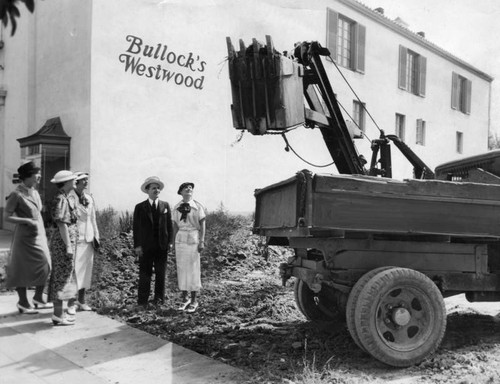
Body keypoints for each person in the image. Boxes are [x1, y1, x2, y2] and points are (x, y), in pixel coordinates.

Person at [3, 161, 52, 314]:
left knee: (46, 265)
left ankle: (38, 298)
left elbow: (37, 214)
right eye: (37, 174)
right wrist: (25, 220)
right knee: (21, 269)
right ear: (28, 176)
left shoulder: (35, 192)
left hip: (39, 236)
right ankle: (23, 302)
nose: (39, 177)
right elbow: (6, 217)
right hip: (24, 238)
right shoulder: (16, 195)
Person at [133, 176, 173, 308]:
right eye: (153, 188)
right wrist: (137, 245)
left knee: (161, 274)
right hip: (146, 246)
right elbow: (136, 228)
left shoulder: (165, 206)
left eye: (158, 188)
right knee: (145, 274)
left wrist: (170, 242)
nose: (157, 190)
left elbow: (169, 226)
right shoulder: (140, 207)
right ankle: (142, 301)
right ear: (147, 190)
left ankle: (159, 300)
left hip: (162, 246)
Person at [47, 170, 78, 326]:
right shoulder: (61, 199)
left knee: (63, 276)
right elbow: (61, 224)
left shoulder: (64, 197)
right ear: (66, 182)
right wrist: (68, 246)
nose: (75, 181)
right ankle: (58, 315)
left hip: (65, 242)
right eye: (72, 179)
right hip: (63, 243)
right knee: (61, 277)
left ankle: (59, 314)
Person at [67, 172, 99, 314]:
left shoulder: (89, 198)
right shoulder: (70, 198)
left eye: (86, 180)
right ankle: (70, 303)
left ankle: (82, 300)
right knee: (74, 272)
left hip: (89, 238)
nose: (86, 182)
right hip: (76, 238)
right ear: (76, 182)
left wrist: (96, 237)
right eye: (82, 180)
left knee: (86, 271)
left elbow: (93, 219)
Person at [172, 182, 206, 313]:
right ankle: (184, 298)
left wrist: (202, 241)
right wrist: (171, 242)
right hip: (180, 239)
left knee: (193, 269)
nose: (188, 189)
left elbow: (202, 224)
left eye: (191, 188)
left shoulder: (197, 206)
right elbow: (175, 225)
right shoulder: (176, 207)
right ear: (180, 192)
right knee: (182, 269)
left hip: (193, 238)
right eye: (185, 188)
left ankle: (194, 300)